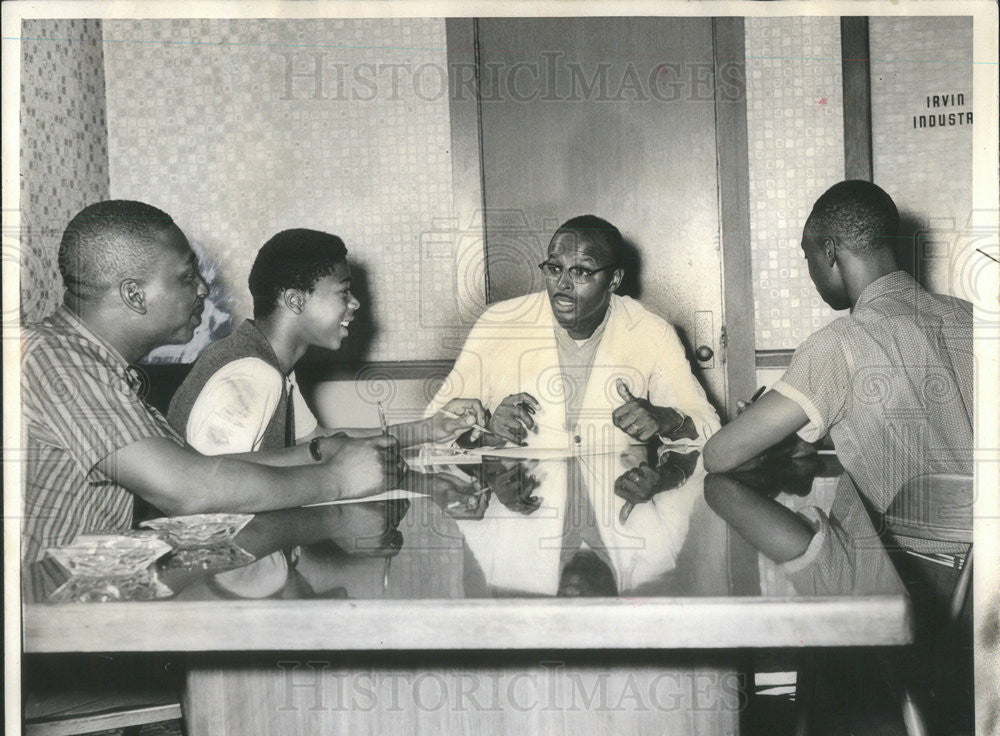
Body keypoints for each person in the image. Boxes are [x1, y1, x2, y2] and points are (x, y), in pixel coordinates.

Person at [21, 201, 404, 564]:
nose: (203, 288)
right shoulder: (57, 362)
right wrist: (336, 478)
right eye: (187, 276)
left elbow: (207, 466)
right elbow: (189, 488)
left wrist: (320, 453)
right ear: (134, 295)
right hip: (39, 608)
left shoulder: (100, 370)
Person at [703, 180, 973, 526]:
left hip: (918, 565)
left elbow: (718, 455)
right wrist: (802, 434)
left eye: (808, 256)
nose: (811, 272)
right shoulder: (970, 316)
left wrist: (757, 429)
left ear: (829, 251)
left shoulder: (838, 343)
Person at [168, 229, 486, 455]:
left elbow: (316, 443)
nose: (355, 304)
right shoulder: (253, 374)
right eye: (344, 292)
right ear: (294, 301)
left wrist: (430, 429)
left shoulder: (267, 364)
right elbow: (220, 493)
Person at [426, 215, 720, 452]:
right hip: (524, 510)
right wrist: (487, 429)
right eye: (555, 268)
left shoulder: (651, 331)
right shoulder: (499, 322)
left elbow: (709, 428)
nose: (562, 283)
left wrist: (669, 419)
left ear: (614, 279)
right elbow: (431, 427)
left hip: (618, 507)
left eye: (581, 272)